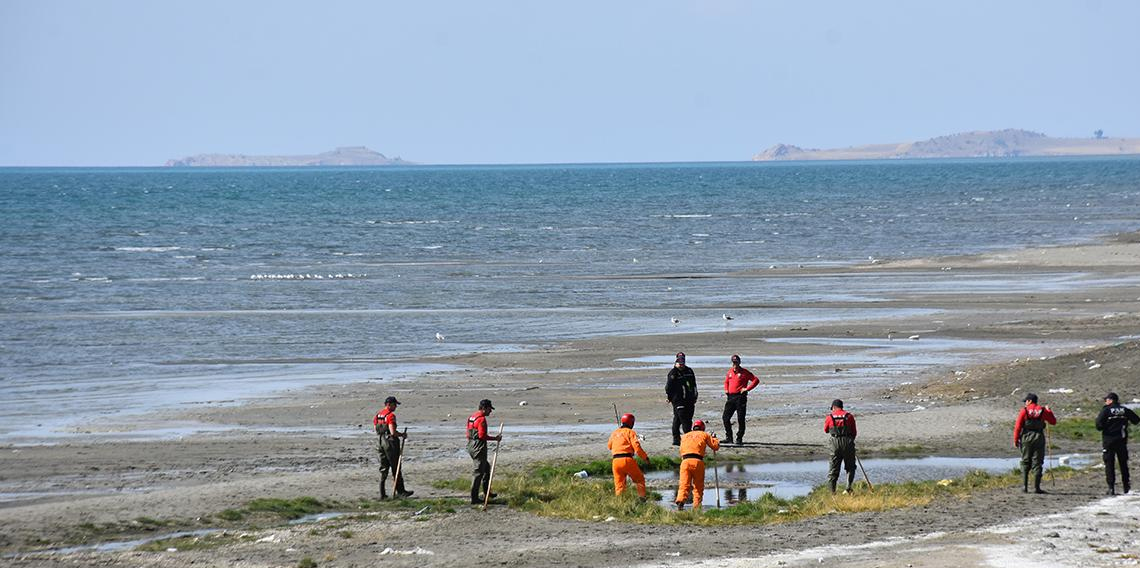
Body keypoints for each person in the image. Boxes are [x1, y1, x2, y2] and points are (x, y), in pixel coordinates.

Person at [1096, 392, 1140, 495]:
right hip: (1121, 440)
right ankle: (1126, 486)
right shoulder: (1124, 410)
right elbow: (1136, 420)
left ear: (1110, 400)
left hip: (1109, 441)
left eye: (1106, 400)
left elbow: (1098, 425)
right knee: (1123, 464)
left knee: (1109, 464)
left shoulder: (1106, 410)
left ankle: (1111, 488)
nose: (1105, 401)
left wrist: (1107, 426)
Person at [1013, 393, 1057, 494]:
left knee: (1025, 461)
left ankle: (1025, 487)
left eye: (1026, 401)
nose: (1025, 403)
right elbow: (1053, 422)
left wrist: (1015, 440)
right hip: (1039, 437)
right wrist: (1049, 411)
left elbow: (1018, 427)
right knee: (1037, 462)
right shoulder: (1042, 410)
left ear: (1029, 401)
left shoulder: (1024, 411)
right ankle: (1037, 488)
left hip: (1026, 438)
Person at [675, 419, 720, 511]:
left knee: (684, 484)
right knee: (698, 486)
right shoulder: (704, 435)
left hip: (685, 461)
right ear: (702, 428)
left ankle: (680, 501)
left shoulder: (684, 436)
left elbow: (681, 449)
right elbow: (715, 446)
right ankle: (696, 506)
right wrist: (714, 438)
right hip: (697, 461)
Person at [374, 396, 412, 499]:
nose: (396, 407)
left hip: (380, 442)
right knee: (396, 467)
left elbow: (376, 429)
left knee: (383, 468)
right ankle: (401, 491)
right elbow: (392, 432)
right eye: (394, 404)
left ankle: (382, 493)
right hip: (390, 443)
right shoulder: (391, 416)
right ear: (389, 404)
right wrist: (402, 435)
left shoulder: (378, 415)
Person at [467, 399, 503, 505]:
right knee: (478, 472)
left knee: (486, 468)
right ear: (484, 408)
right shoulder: (481, 419)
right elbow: (482, 435)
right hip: (478, 447)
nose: (490, 411)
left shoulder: (472, 417)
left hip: (470, 445)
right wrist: (495, 438)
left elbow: (468, 434)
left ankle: (487, 492)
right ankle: (474, 498)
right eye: (489, 409)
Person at [608, 412, 650, 498]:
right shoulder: (631, 432)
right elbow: (637, 448)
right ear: (631, 423)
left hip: (615, 461)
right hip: (627, 460)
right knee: (639, 480)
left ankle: (620, 502)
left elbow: (609, 446)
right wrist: (645, 458)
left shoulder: (614, 433)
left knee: (619, 484)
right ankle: (642, 499)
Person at [722, 354, 759, 445]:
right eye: (733, 362)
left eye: (736, 362)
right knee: (725, 418)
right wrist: (726, 389)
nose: (735, 364)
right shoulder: (730, 372)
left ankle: (739, 438)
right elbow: (726, 381)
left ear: (739, 362)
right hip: (730, 397)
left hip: (740, 397)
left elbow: (756, 380)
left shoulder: (744, 372)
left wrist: (747, 389)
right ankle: (729, 437)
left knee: (740, 418)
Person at [824, 399, 858, 494]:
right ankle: (848, 488)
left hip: (835, 443)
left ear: (834, 407)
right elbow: (854, 432)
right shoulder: (849, 416)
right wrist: (850, 442)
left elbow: (826, 430)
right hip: (848, 441)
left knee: (833, 469)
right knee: (850, 467)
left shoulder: (830, 417)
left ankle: (832, 493)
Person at [666, 351, 699, 446]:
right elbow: (668, 387)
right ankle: (687, 439)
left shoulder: (689, 371)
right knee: (685, 420)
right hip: (678, 400)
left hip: (690, 400)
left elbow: (694, 385)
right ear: (676, 361)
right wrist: (669, 397)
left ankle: (676, 440)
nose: (681, 364)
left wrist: (695, 395)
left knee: (678, 419)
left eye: (682, 361)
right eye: (679, 362)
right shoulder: (673, 373)